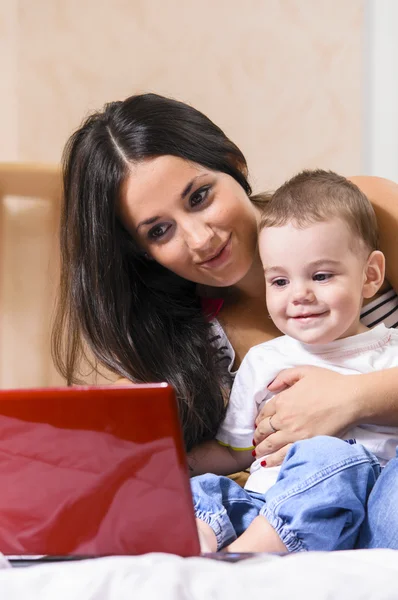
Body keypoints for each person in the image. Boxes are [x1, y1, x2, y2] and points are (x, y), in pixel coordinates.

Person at [52, 92, 398, 548]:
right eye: (159, 230)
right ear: (141, 252)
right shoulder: (190, 345)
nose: (199, 239)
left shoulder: (355, 214)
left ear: (234, 163)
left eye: (199, 197)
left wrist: (354, 397)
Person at [191, 169, 398, 553]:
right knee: (203, 491)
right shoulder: (265, 359)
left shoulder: (390, 350)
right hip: (264, 501)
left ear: (370, 277)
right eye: (280, 281)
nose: (298, 295)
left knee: (328, 454)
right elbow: (235, 450)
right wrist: (173, 462)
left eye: (320, 275)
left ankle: (245, 557)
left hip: (359, 509)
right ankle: (200, 540)